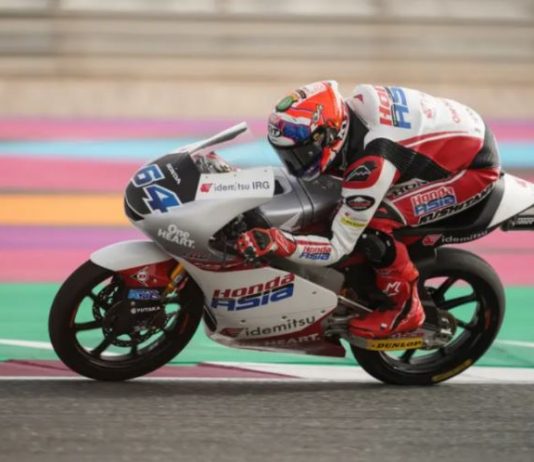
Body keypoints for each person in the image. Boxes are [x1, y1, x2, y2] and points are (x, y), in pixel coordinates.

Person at [236, 81, 500, 339]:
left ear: (330, 135)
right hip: (457, 133)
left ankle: (406, 309)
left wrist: (280, 242)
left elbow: (337, 247)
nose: (295, 163)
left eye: (303, 153)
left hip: (472, 169)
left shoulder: (372, 164)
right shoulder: (348, 113)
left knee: (375, 226)